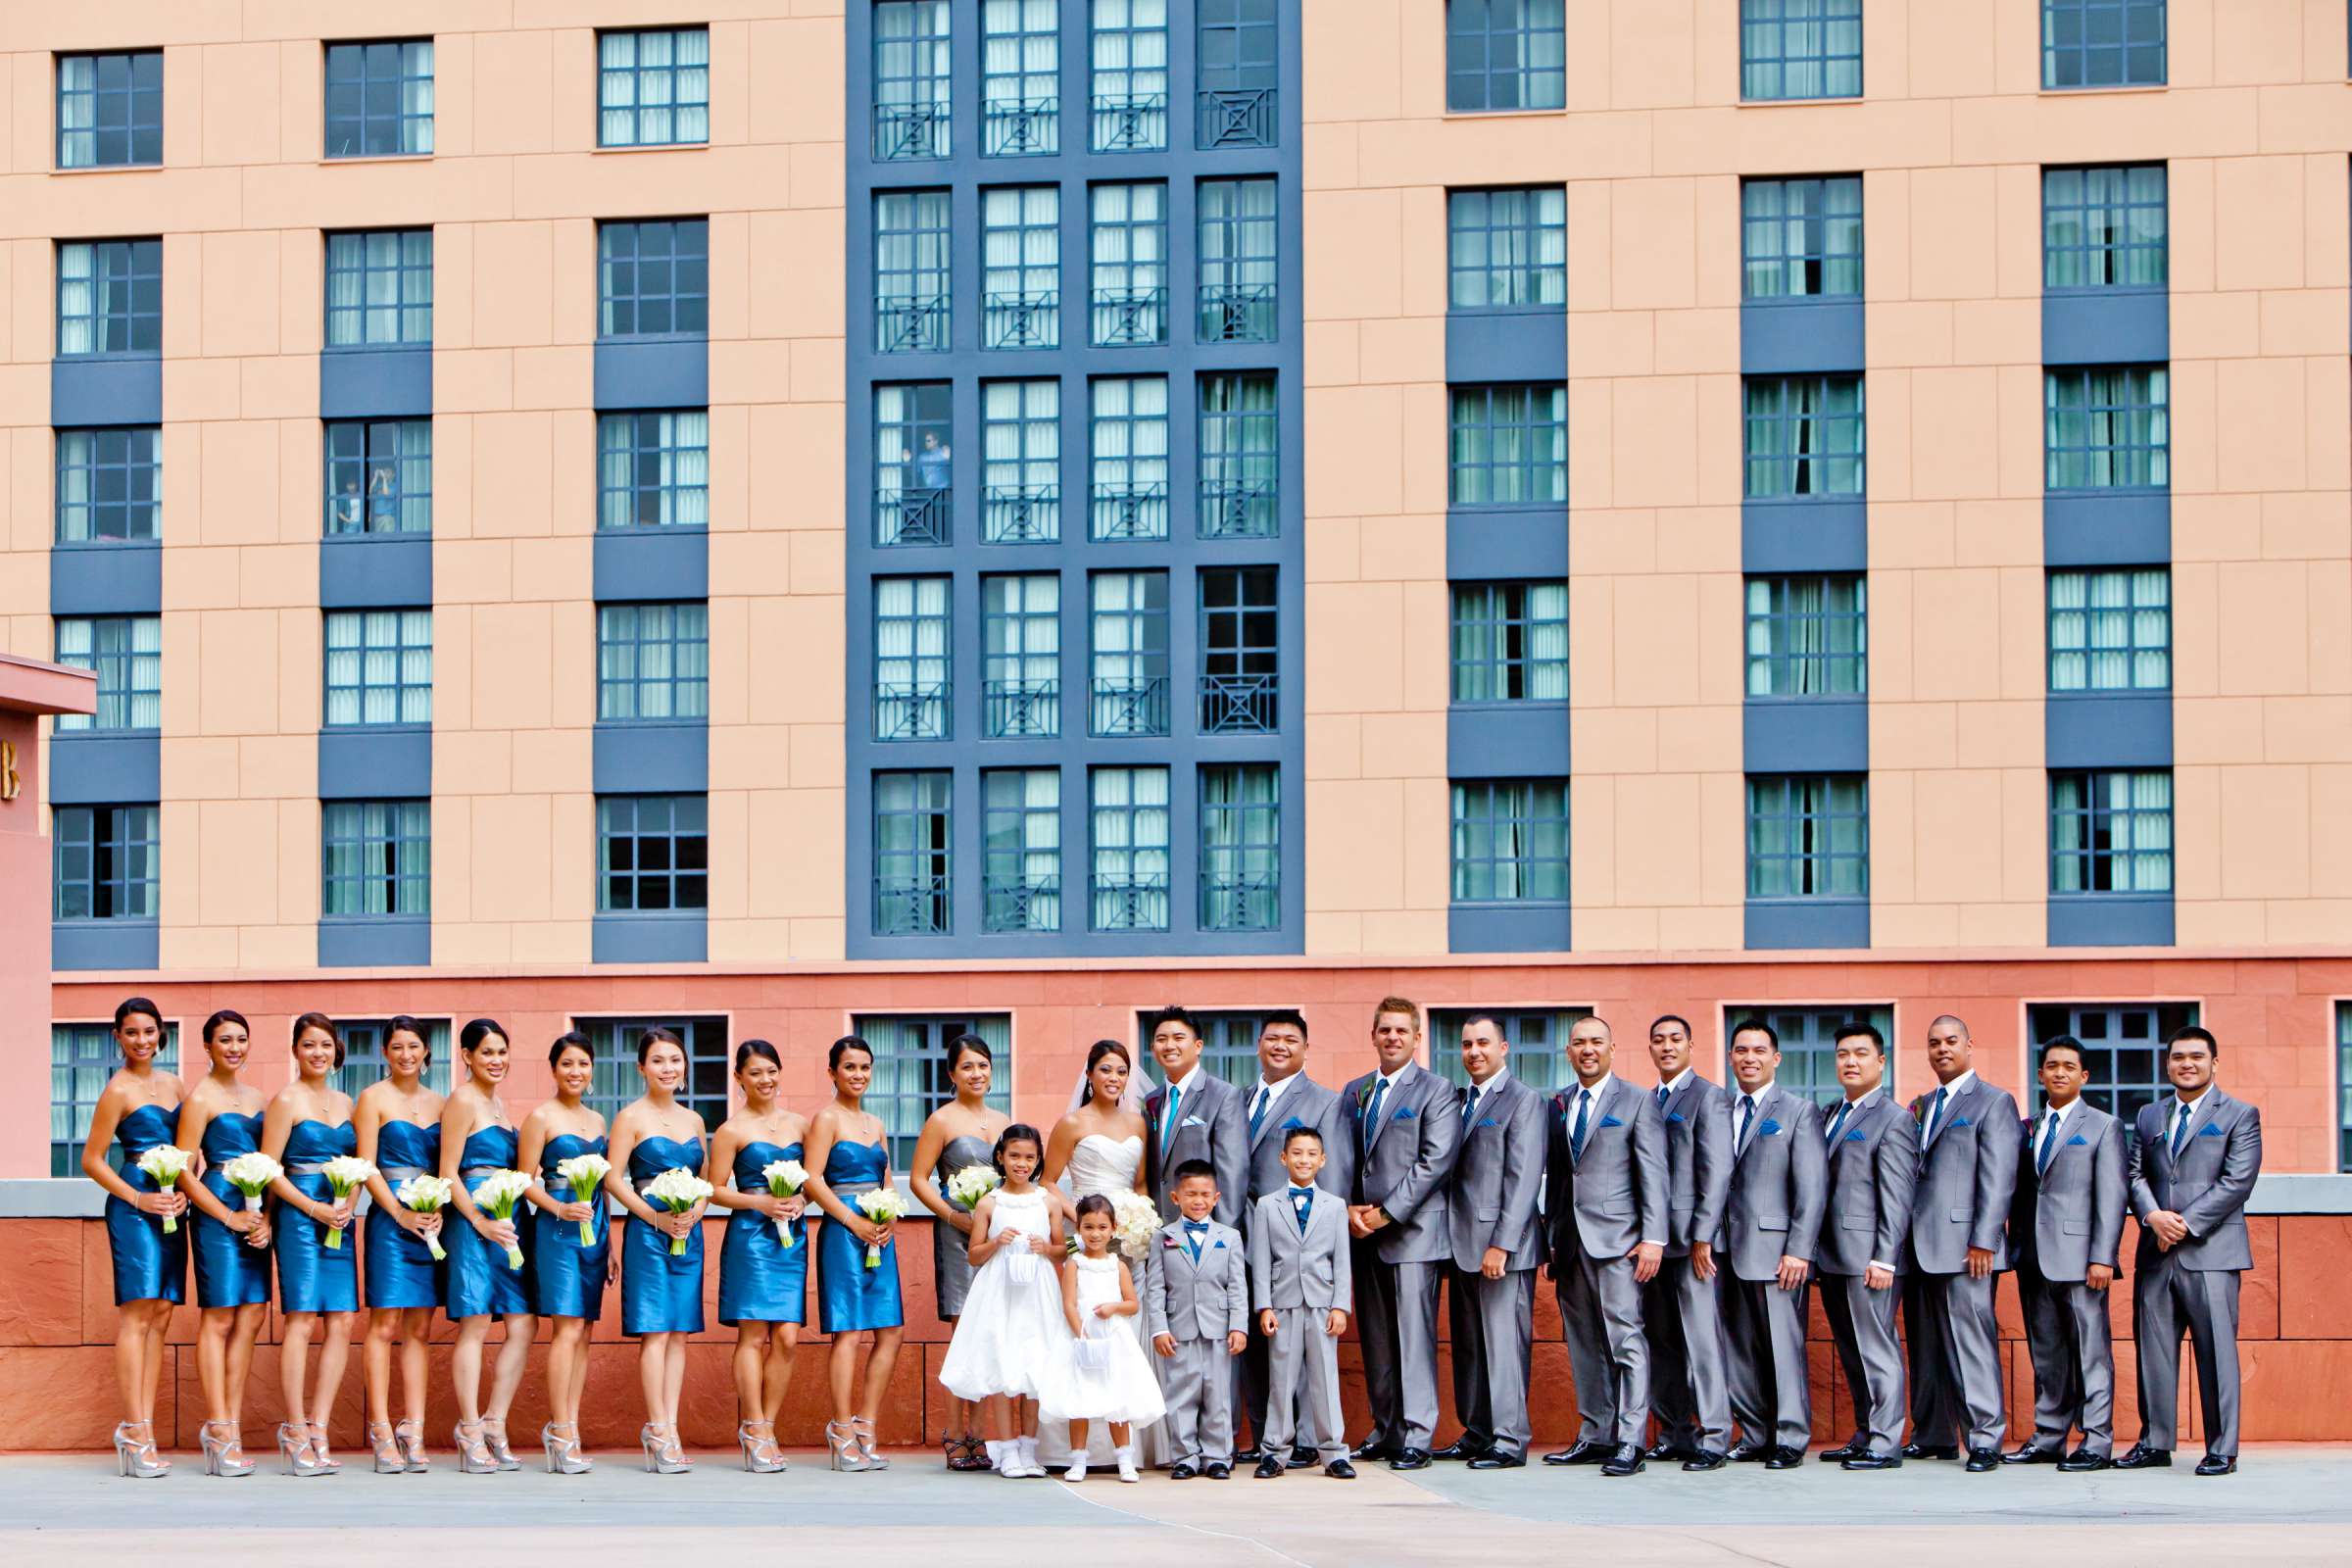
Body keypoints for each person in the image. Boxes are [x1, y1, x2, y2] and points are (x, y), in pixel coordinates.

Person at [2117, 1024, 2263, 1477]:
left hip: (2212, 1253)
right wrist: (2152, 1216)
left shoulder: (2240, 1114)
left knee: (2217, 1352)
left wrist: (2182, 1225)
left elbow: (2237, 1182)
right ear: (2168, 1063)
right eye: (2178, 1056)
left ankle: (2222, 1448)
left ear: (2214, 1063)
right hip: (2155, 1255)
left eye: (2197, 1056)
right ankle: (2155, 1441)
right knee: (2154, 1353)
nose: (2187, 1063)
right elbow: (2134, 1175)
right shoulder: (2148, 1116)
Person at [1539, 1015, 1666, 1477]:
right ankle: (1595, 1433)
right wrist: (1552, 1240)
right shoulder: (1558, 1104)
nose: (1587, 1050)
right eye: (1578, 1043)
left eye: (1596, 1042)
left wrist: (1653, 1238)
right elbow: (1555, 1177)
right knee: (1583, 1344)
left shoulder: (1636, 1101)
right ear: (1568, 1053)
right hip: (1571, 1246)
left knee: (1625, 1340)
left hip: (1619, 1243)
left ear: (1613, 1048)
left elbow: (1653, 1173)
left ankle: (1631, 1441)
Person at [1343, 996, 1461, 1470]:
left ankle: (1417, 1434)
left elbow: (1435, 1161)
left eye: (1401, 1031)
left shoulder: (1437, 1090)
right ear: (1373, 1035)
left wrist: (1386, 1214)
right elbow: (1345, 1157)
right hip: (1362, 1236)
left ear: (1417, 1038)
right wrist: (1347, 1210)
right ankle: (1385, 1428)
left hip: (1412, 1235)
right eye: (1384, 1030)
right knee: (1375, 1339)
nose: (1392, 1037)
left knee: (1413, 1338)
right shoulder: (1355, 1091)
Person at [1901, 1013, 2021, 1472]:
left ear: (1970, 1045)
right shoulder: (1922, 1104)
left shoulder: (1993, 1103)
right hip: (1920, 1246)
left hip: (1968, 1248)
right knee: (1926, 1344)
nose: (1942, 1049)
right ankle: (1933, 1434)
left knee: (1971, 1342)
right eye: (1934, 1043)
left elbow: (1998, 1178)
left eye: (1951, 1041)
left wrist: (1984, 1240)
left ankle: (1985, 1437)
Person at [1235, 1009, 1350, 1467]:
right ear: (1259, 1045)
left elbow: (1336, 1175)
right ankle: (1271, 1445)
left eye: (1290, 1039)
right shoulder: (1239, 1098)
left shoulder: (1324, 1100)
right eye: (1271, 1038)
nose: (1279, 1045)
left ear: (1305, 1048)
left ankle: (1317, 1445)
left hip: (1310, 1266)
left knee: (1318, 1369)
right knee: (1269, 1362)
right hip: (1248, 1236)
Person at [2007, 1034, 2127, 1471]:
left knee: (2091, 1351)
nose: (2060, 1073)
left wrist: (2103, 1256)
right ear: (2040, 1075)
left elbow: (2113, 1197)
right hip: (2034, 1258)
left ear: (2084, 1075)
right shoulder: (2028, 1127)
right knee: (2047, 1351)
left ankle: (2096, 1441)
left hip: (2082, 1260)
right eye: (2052, 1066)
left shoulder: (2103, 1126)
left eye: (2069, 1067)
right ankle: (2049, 1436)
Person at [1041, 1040, 1159, 1467]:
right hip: (1085, 1233)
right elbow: (1049, 1181)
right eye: (1106, 1070)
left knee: (1125, 1330)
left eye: (1122, 1071)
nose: (1114, 1078)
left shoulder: (1137, 1123)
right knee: (1083, 1317)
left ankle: (1127, 1448)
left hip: (1127, 1238)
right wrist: (1086, 1221)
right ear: (1089, 1074)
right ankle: (1073, 1449)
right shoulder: (1071, 1123)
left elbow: (1142, 1184)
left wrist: (1136, 1223)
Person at [83, 997, 188, 1478]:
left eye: (149, 1031)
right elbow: (92, 1159)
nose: (141, 1040)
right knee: (138, 1313)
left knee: (162, 1314)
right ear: (118, 1037)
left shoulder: (175, 1084)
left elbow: (188, 1150)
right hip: (134, 1207)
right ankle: (133, 1427)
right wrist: (137, 1199)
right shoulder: (118, 1089)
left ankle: (142, 1429)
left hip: (172, 1203)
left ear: (160, 1033)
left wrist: (185, 1191)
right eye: (131, 1032)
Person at [1439, 1014, 1548, 1471]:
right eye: (1466, 1044)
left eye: (1484, 1043)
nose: (1474, 1051)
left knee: (1504, 1345)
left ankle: (1509, 1439)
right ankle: (1478, 1430)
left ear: (1504, 1048)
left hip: (1502, 1248)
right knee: (1471, 1347)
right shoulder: (1461, 1100)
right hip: (1461, 1242)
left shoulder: (1523, 1101)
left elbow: (1523, 1180)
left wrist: (1502, 1243)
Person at [1719, 1018, 1825, 1470]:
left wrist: (1800, 1248)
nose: (1749, 1058)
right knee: (1739, 1348)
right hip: (1726, 1249)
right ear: (1730, 1058)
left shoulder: (1798, 1111)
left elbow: (1813, 1187)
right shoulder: (1720, 1109)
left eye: (1759, 1051)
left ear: (1776, 1058)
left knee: (1783, 1348)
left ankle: (1790, 1436)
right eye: (1741, 1050)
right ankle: (1755, 1433)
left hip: (1778, 1251)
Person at [604, 1027, 710, 1475]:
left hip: (689, 1232)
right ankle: (657, 1428)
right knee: (656, 1332)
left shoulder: (696, 1121)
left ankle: (673, 1425)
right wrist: (655, 1218)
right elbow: (612, 1179)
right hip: (648, 1233)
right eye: (659, 1060)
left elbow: (705, 1181)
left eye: (675, 1060)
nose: (669, 1068)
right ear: (642, 1068)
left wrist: (695, 1214)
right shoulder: (630, 1118)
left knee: (680, 1332)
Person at [1813, 1020, 1917, 1472]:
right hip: (1832, 1255)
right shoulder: (1831, 1112)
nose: (1850, 1062)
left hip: (1869, 1257)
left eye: (1860, 1054)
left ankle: (1885, 1441)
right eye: (1842, 1054)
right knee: (1852, 1350)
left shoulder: (1893, 1119)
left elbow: (1898, 1196)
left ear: (1881, 1061)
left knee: (1877, 1348)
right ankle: (1863, 1431)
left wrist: (1885, 1257)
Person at [174, 1008, 271, 1478]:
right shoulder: (200, 1099)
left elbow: (271, 1163)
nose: (234, 1047)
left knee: (251, 1315)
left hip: (254, 1213)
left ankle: (231, 1425)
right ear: (207, 1046)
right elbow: (182, 1171)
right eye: (224, 1040)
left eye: (241, 1039)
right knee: (219, 1316)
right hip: (217, 1213)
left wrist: (264, 1216)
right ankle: (216, 1427)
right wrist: (228, 1214)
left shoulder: (257, 1097)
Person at [263, 1012, 361, 1477]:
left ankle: (320, 1425)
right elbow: (270, 1169)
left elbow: (359, 1164)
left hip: (340, 1217)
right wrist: (313, 1208)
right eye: (308, 1045)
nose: (317, 1052)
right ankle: (295, 1427)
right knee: (302, 1319)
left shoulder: (346, 1101)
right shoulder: (286, 1100)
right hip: (301, 1218)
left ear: (335, 1049)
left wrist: (348, 1203)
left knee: (341, 1319)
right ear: (296, 1051)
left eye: (324, 1044)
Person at [940, 1123, 1067, 1479]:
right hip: (1001, 1291)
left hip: (1038, 1291)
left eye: (1029, 1157)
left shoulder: (1049, 1202)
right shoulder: (989, 1203)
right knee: (1005, 1364)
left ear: (1038, 1159)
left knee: (1034, 1367)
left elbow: (1064, 1248)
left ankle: (1029, 1448)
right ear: (1000, 1157)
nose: (1021, 1164)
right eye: (1014, 1156)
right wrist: (996, 1243)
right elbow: (973, 1256)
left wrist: (1049, 1248)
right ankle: (1008, 1449)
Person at [804, 1035, 906, 1472]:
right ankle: (841, 1428)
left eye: (865, 1067)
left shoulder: (876, 1124)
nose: (858, 1075)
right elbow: (812, 1179)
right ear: (832, 1072)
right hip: (843, 1234)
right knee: (849, 1331)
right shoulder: (826, 1119)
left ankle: (867, 1424)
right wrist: (853, 1221)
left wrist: (890, 1216)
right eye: (849, 1067)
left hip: (880, 1235)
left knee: (890, 1330)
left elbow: (886, 1179)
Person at [909, 1033, 1010, 1471]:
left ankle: (982, 1434)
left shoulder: (1004, 1120)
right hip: (957, 1234)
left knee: (991, 1336)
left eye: (983, 1065)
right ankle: (955, 1433)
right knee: (962, 1336)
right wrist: (954, 1218)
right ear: (952, 1074)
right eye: (967, 1066)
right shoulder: (942, 1121)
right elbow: (917, 1179)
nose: (977, 1073)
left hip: (994, 1240)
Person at [710, 1038, 809, 1475]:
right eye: (755, 1073)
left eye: (771, 1071)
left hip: (792, 1237)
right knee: (752, 1336)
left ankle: (768, 1423)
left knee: (787, 1336)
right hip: (751, 1236)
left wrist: (801, 1199)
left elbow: (815, 1178)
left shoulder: (801, 1125)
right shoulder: (732, 1130)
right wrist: (762, 1204)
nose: (764, 1080)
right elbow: (714, 1189)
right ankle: (754, 1427)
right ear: (739, 1079)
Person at [440, 1018, 534, 1475]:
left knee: (523, 1324)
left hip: (510, 1221)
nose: (496, 1060)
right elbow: (448, 1171)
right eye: (487, 1053)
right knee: (476, 1322)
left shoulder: (500, 1105)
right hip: (474, 1222)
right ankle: (470, 1427)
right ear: (467, 1057)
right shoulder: (462, 1100)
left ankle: (496, 1421)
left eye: (502, 1052)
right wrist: (478, 1219)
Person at [1640, 1013, 1734, 1468]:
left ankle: (1715, 1437)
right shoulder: (1647, 1099)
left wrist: (1704, 1234)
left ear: (1691, 1045)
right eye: (1658, 1041)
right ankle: (1677, 1433)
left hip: (1691, 1245)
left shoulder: (1709, 1097)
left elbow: (1717, 1171)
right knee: (1662, 1342)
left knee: (1703, 1343)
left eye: (1676, 1038)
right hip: (1652, 1244)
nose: (1667, 1047)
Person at [353, 1017, 446, 1473]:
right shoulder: (372, 1099)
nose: (406, 1054)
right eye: (397, 1047)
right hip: (391, 1222)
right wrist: (401, 1213)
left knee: (420, 1329)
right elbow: (366, 1166)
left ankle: (415, 1427)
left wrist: (437, 1209)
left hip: (430, 1223)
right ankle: (381, 1428)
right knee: (384, 1324)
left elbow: (446, 1167)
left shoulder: (442, 1103)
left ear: (426, 1051)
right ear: (385, 1053)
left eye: (414, 1046)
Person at [518, 1031, 612, 1475]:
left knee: (586, 1331)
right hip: (556, 1232)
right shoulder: (541, 1117)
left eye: (583, 1064)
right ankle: (557, 1430)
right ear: (553, 1070)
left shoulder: (598, 1121)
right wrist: (557, 1207)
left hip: (595, 1231)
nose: (576, 1072)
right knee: (566, 1329)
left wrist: (609, 1241)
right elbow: (523, 1179)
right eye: (567, 1064)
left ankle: (571, 1426)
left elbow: (605, 1186)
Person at [1247, 1128, 1354, 1479]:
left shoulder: (1335, 1206)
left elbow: (1342, 1260)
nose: (1303, 1160)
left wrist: (1341, 1305)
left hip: (1323, 1302)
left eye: (1311, 1154)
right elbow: (1261, 1259)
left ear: (1322, 1160)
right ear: (1283, 1158)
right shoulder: (1267, 1205)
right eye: (1296, 1153)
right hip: (1283, 1301)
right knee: (1282, 1379)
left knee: (1325, 1379)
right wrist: (1265, 1306)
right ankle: (1274, 1452)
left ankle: (1333, 1451)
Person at [1048, 1193, 1164, 1483]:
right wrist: (1081, 1333)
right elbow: (1069, 1303)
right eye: (1088, 1227)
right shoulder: (1074, 1263)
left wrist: (1113, 1307)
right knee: (1079, 1399)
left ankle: (1124, 1457)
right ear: (1079, 1230)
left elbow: (1132, 1303)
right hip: (1082, 1335)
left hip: (1112, 1337)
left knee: (1117, 1397)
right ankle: (1078, 1460)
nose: (1095, 1234)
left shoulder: (1117, 1265)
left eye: (1102, 1227)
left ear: (1113, 1228)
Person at [1145, 1159, 1250, 1479]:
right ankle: (1185, 1456)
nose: (1198, 1200)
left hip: (1218, 1327)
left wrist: (1238, 1326)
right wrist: (1160, 1328)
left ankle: (1217, 1456)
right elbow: (1155, 1287)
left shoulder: (1229, 1237)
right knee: (1181, 1395)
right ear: (1176, 1198)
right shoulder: (1163, 1236)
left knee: (1217, 1394)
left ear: (1216, 1197)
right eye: (1191, 1194)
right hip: (1179, 1329)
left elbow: (1237, 1286)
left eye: (1205, 1194)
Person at [1142, 1006, 1249, 1226]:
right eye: (1161, 1039)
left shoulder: (1224, 1096)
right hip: (1160, 1231)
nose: (1169, 1045)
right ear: (1153, 1048)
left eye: (1178, 1038)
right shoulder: (1152, 1100)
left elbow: (1231, 1177)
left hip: (1204, 1231)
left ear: (1198, 1046)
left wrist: (1222, 1240)